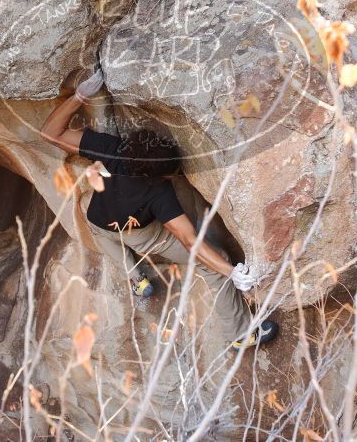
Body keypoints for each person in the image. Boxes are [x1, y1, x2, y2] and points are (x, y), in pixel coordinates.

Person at [40, 68, 277, 350]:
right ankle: (240, 336)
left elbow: (49, 133)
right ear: (162, 175)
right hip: (142, 235)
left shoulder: (114, 150)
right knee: (215, 262)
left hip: (99, 222)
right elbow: (190, 241)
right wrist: (231, 271)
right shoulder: (160, 195)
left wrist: (80, 96)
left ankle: (135, 277)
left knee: (101, 225)